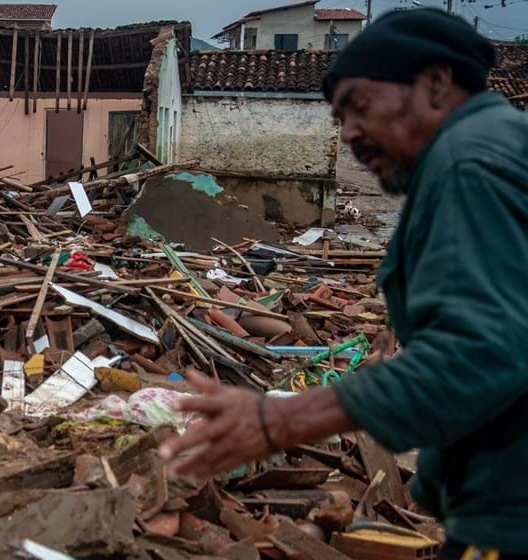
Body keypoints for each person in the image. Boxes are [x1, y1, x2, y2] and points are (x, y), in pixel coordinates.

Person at [158, 9, 528, 559]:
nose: (348, 132)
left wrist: (277, 417)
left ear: (434, 83)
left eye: (359, 107)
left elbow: (484, 351)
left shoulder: (467, 165)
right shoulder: (499, 146)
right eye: (340, 116)